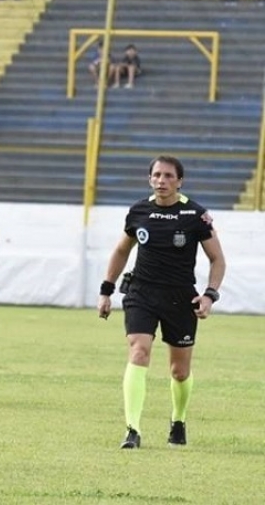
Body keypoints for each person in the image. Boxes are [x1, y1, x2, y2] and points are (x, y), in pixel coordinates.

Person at [97, 155, 225, 450]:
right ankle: (132, 429)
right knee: (139, 351)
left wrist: (209, 295)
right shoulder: (138, 211)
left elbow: (217, 259)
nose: (161, 181)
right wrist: (106, 290)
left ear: (180, 181)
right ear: (149, 178)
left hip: (181, 298)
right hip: (141, 293)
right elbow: (120, 251)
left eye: (168, 176)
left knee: (179, 371)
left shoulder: (196, 215)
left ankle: (178, 421)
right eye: (156, 175)